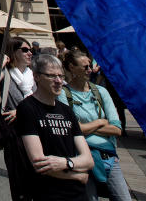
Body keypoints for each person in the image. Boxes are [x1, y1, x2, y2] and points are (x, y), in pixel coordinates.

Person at [16, 53, 93, 201]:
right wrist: (76, 174)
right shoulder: (27, 108)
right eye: (52, 76)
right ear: (36, 76)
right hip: (47, 192)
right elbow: (39, 162)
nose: (59, 81)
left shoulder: (67, 111)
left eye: (61, 76)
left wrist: (65, 163)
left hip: (78, 194)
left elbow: (88, 160)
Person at [58, 50, 130, 201]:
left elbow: (117, 129)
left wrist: (84, 128)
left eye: (90, 65)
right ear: (71, 67)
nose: (90, 69)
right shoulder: (63, 94)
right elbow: (72, 129)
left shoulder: (101, 91)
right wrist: (100, 122)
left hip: (108, 157)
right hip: (82, 158)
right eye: (85, 67)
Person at [0, 36, 39, 201]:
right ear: (13, 53)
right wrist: (3, 60)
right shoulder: (6, 74)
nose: (30, 53)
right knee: (20, 185)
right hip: (15, 137)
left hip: (37, 133)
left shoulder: (33, 76)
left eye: (30, 50)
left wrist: (21, 111)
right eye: (24, 50)